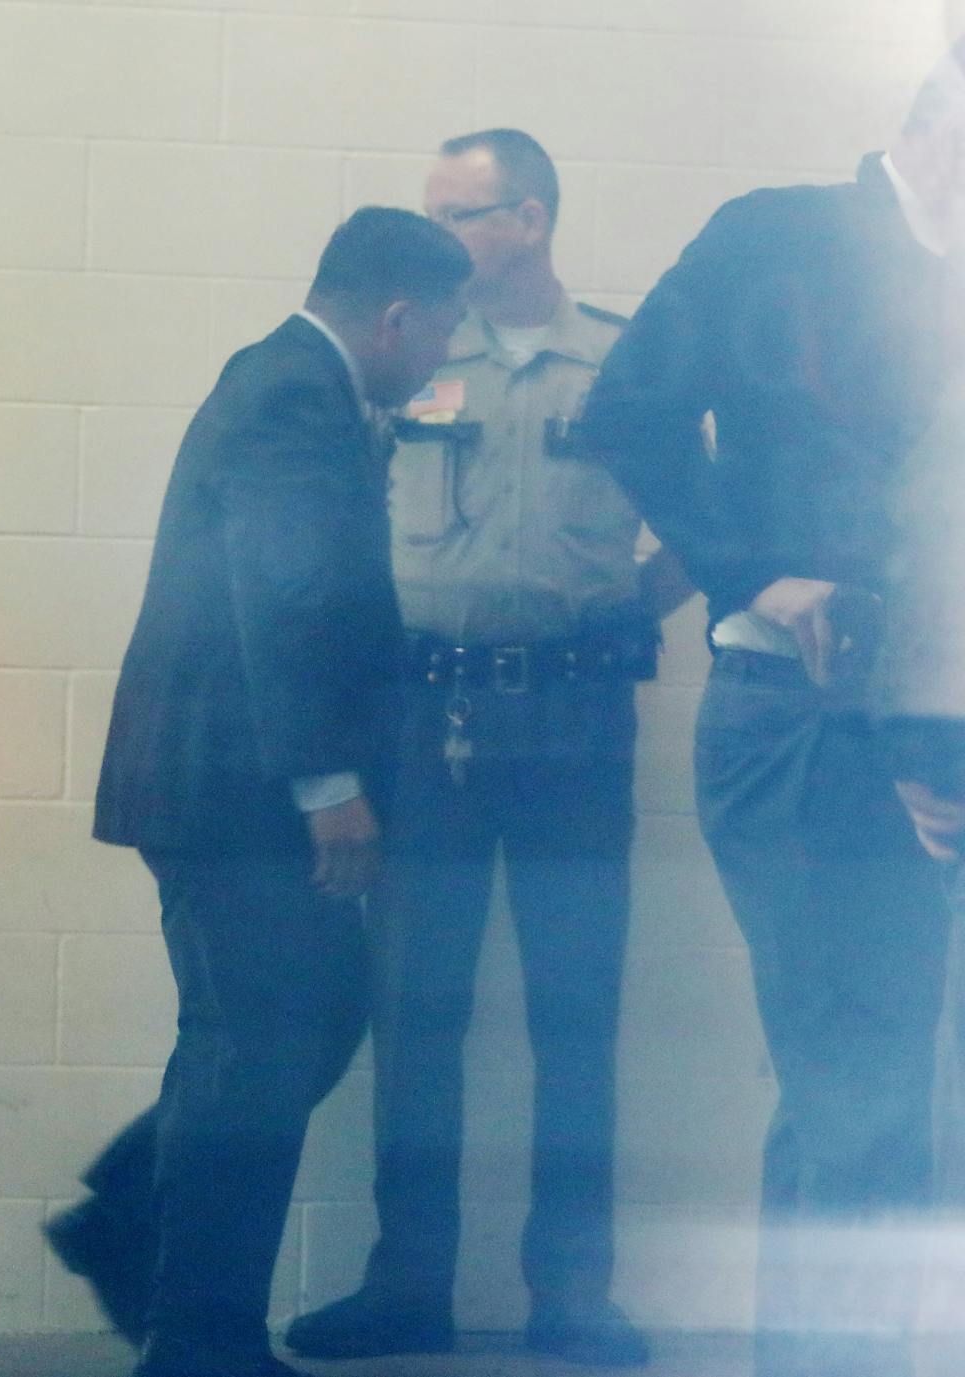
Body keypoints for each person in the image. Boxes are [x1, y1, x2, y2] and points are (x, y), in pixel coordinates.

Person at [577, 47, 965, 1377]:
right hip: (797, 728)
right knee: (857, 1092)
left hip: (934, 725)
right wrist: (753, 569)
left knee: (887, 1089)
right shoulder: (780, 237)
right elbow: (625, 415)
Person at [47, 207, 472, 1377]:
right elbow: (284, 596)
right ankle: (198, 1339)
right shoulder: (292, 395)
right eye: (441, 330)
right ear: (397, 316)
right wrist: (328, 786)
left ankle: (131, 1229)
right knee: (253, 1051)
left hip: (232, 788)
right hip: (237, 793)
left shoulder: (301, 388)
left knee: (290, 1029)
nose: (443, 356)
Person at [286, 129, 685, 1371]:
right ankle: (407, 1286)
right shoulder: (405, 358)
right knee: (417, 1016)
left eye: (459, 214)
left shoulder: (620, 365)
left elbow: (701, 523)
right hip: (424, 721)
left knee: (576, 1018)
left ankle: (572, 1297)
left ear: (528, 220)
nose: (437, 235)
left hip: (574, 720)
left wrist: (624, 608)